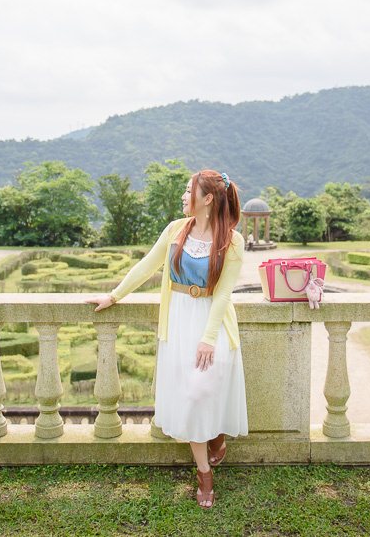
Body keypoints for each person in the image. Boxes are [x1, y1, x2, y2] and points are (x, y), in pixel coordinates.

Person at [85, 169, 248, 509]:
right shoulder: (176, 229)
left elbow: (223, 296)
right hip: (178, 319)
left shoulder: (233, 241)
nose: (184, 197)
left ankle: (217, 438)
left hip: (210, 322)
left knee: (205, 388)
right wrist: (114, 296)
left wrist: (207, 338)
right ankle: (205, 473)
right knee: (190, 393)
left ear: (207, 199)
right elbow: (147, 265)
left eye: (189, 191)